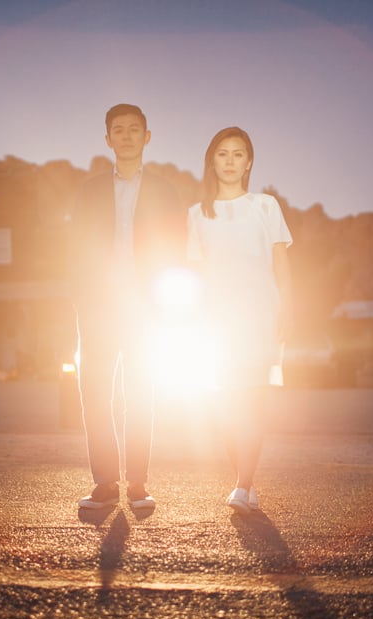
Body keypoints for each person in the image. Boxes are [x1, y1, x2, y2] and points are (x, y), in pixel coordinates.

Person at [68, 104, 185, 511]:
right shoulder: (89, 190)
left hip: (144, 306)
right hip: (98, 304)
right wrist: (81, 295)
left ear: (147, 136)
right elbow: (75, 247)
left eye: (135, 129)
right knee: (95, 393)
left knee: (141, 391)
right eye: (118, 130)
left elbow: (175, 246)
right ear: (108, 139)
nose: (127, 136)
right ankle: (104, 483)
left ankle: (138, 483)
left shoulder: (165, 190)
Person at [186, 126, 293, 515]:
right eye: (222, 154)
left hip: (260, 315)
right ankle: (243, 479)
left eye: (238, 154)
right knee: (225, 407)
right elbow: (195, 273)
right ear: (211, 161)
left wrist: (289, 309)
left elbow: (282, 265)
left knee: (252, 401)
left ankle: (243, 484)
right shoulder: (197, 214)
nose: (230, 161)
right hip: (216, 322)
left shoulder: (266, 206)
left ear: (248, 163)